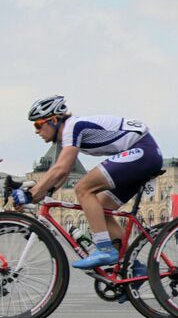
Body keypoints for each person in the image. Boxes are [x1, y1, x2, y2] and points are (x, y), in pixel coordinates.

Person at [13, 95, 163, 269]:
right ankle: (133, 268)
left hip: (143, 151)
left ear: (53, 120)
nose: (36, 131)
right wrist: (36, 196)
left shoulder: (72, 128)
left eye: (38, 124)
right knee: (100, 207)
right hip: (144, 154)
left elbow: (60, 169)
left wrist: (31, 194)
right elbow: (62, 175)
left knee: (83, 188)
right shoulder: (68, 136)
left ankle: (104, 248)